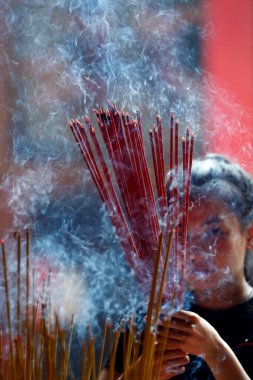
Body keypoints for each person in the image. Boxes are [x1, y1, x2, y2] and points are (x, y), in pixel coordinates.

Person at [100, 154, 253, 379]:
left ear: (249, 235)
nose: (196, 250)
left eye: (214, 231)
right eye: (182, 234)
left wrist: (214, 350)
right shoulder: (150, 321)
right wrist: (138, 374)